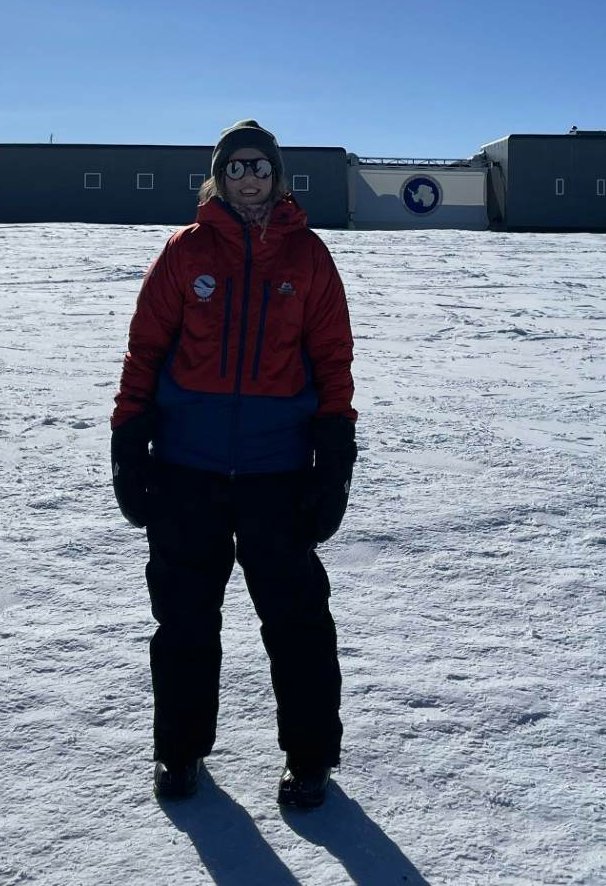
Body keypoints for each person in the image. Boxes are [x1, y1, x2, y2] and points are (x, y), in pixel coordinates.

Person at [110, 119, 358, 809]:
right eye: (237, 167)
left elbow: (332, 359)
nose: (250, 177)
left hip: (277, 471)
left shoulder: (309, 258)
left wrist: (333, 458)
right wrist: (130, 443)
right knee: (185, 619)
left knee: (298, 621)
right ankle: (180, 751)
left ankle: (310, 759)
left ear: (279, 177)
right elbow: (144, 353)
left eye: (261, 167)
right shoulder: (184, 253)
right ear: (219, 178)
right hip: (187, 469)